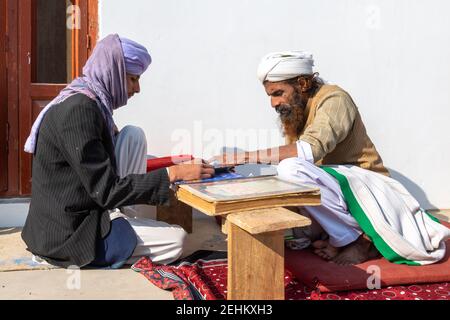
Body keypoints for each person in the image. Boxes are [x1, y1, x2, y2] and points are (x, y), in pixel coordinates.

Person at [211, 51, 450, 266]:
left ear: (303, 83)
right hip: (337, 189)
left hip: (368, 188)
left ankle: (358, 240)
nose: (273, 103)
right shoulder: (295, 111)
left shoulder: (334, 99)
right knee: (276, 205)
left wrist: (244, 157)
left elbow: (307, 153)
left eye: (278, 93)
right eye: (270, 96)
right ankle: (336, 235)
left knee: (290, 169)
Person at [21, 34, 214, 269]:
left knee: (132, 135)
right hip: (68, 234)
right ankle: (111, 236)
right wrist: (173, 174)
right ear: (113, 72)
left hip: (90, 204)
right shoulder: (79, 111)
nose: (137, 88)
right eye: (133, 79)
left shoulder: (91, 102)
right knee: (178, 240)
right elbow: (105, 190)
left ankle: (124, 221)